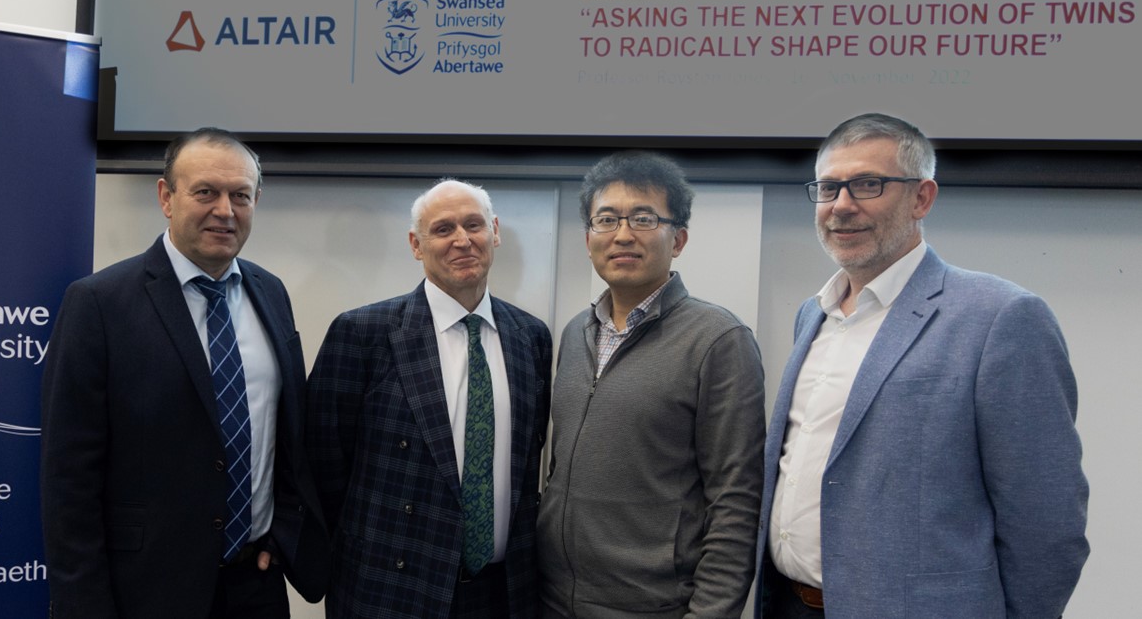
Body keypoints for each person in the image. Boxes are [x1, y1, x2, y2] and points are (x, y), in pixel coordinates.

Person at [757, 113, 1089, 618]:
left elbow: (1046, 521)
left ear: (922, 198)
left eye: (867, 184)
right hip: (788, 604)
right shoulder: (813, 313)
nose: (841, 206)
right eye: (828, 188)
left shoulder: (1001, 317)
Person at [39, 128, 328, 619]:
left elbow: (286, 435)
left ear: (257, 200)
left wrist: (283, 535)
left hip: (254, 583)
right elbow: (68, 478)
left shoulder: (271, 293)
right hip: (145, 591)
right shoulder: (98, 303)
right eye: (205, 192)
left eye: (240, 195)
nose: (225, 210)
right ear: (166, 197)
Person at [307, 179, 552, 618]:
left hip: (505, 593)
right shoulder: (362, 333)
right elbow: (324, 464)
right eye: (443, 229)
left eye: (473, 225)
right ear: (416, 245)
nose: (462, 240)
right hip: (392, 590)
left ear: (494, 231)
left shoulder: (531, 337)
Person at [537, 151, 766, 618]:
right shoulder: (575, 331)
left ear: (677, 238)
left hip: (656, 607)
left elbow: (736, 501)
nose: (623, 234)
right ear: (588, 238)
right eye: (607, 219)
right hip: (554, 601)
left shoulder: (719, 339)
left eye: (643, 218)